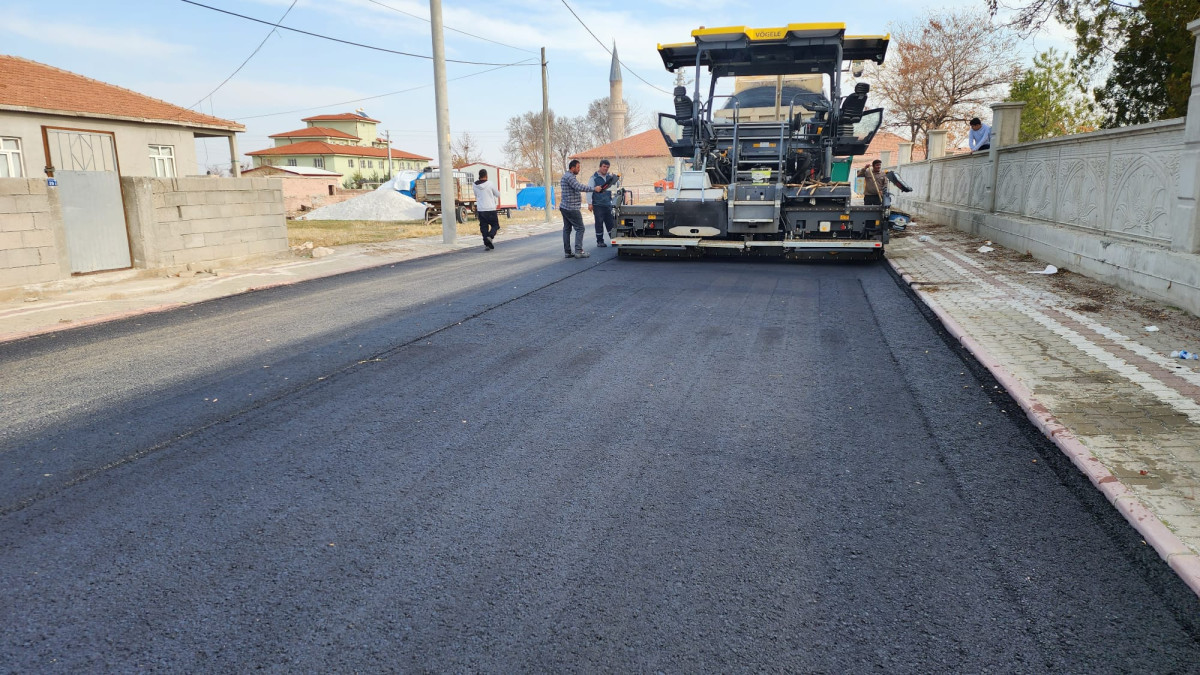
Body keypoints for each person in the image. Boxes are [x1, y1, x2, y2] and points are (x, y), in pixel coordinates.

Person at [559, 159, 602, 258]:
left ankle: (568, 252)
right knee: (580, 228)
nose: (579, 169)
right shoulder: (570, 177)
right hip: (571, 208)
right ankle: (578, 251)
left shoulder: (566, 176)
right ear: (572, 168)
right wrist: (594, 189)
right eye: (578, 167)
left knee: (567, 229)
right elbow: (579, 187)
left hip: (565, 207)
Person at [587, 159, 619, 247]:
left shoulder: (609, 177)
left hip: (607, 204)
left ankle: (613, 240)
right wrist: (589, 203)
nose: (605, 169)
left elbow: (617, 185)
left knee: (610, 223)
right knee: (599, 223)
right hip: (598, 205)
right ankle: (600, 241)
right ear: (600, 167)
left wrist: (615, 178)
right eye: (604, 167)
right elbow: (589, 191)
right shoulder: (594, 178)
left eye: (607, 167)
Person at [472, 168, 501, 250]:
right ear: (486, 175)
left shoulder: (475, 185)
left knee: (484, 227)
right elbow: (498, 194)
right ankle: (490, 236)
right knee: (495, 225)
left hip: (481, 209)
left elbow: (476, 195)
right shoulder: (490, 184)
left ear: (479, 176)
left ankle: (487, 244)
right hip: (491, 208)